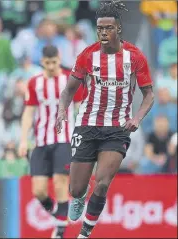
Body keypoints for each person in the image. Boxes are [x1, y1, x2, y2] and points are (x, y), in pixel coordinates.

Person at [56, 1, 155, 238]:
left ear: (118, 29)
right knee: (76, 187)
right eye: (99, 28)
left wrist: (137, 118)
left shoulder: (135, 56)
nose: (103, 32)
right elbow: (68, 90)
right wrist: (61, 111)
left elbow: (149, 94)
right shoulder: (87, 55)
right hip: (87, 125)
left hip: (117, 128)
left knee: (102, 183)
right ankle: (79, 196)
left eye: (108, 28)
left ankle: (85, 233)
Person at [19, 45, 85, 238]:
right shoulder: (34, 83)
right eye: (47, 63)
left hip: (65, 139)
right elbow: (28, 113)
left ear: (59, 59)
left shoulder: (71, 81)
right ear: (42, 62)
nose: (50, 66)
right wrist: (23, 140)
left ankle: (60, 229)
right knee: (38, 190)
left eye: (54, 62)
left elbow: (81, 109)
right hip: (40, 141)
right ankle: (58, 214)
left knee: (60, 180)